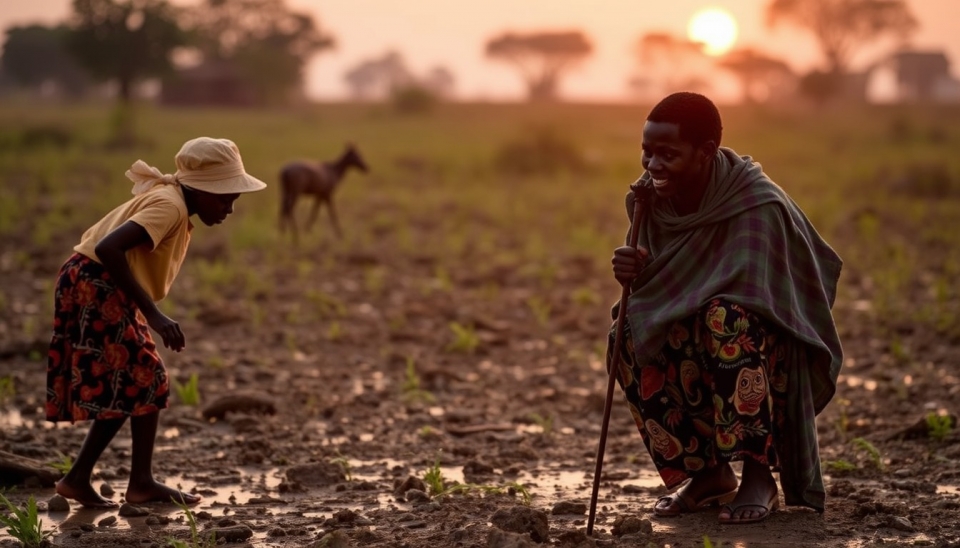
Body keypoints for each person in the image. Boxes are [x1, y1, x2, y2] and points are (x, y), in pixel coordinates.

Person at [607, 92, 842, 524]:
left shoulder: (756, 203)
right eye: (647, 152)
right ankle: (708, 474)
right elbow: (657, 286)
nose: (652, 165)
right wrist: (634, 269)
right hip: (696, 321)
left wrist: (679, 294)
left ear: (706, 152)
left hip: (770, 338)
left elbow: (757, 296)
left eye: (667, 154)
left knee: (726, 319)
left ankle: (758, 474)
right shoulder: (649, 201)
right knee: (628, 330)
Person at [47, 137, 267, 508]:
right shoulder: (170, 206)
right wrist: (154, 315)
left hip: (97, 284)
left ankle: (88, 478)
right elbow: (108, 248)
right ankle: (133, 483)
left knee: (137, 381)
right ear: (198, 189)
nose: (229, 208)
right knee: (146, 377)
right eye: (224, 198)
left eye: (233, 199)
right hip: (96, 284)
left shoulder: (176, 203)